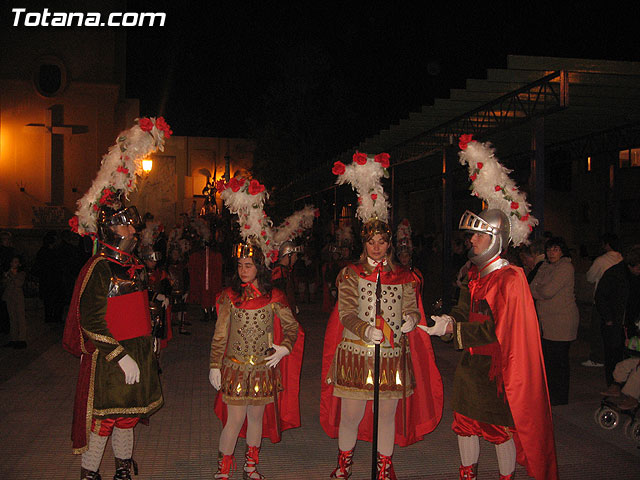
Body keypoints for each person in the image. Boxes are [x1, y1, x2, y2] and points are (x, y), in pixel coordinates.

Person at [421, 138, 558, 480]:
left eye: (478, 236)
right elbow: (465, 312)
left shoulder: (510, 279)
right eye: (471, 237)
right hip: (471, 365)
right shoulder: (474, 275)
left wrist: (455, 331)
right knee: (465, 425)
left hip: (499, 371)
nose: (471, 240)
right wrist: (447, 320)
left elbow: (501, 329)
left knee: (499, 431)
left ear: (495, 239)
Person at [322, 152, 443, 479]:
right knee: (351, 415)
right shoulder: (350, 274)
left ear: (389, 244)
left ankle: (384, 466)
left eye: (382, 242)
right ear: (365, 244)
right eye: (371, 242)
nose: (377, 247)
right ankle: (344, 464)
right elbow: (345, 312)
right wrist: (363, 329)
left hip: (392, 355)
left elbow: (411, 308)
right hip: (356, 355)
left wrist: (410, 320)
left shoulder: (404, 275)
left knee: (386, 416)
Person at [63, 115, 170, 480]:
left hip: (138, 349)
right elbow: (90, 319)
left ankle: (123, 469)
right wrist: (120, 357)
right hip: (112, 358)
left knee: (128, 418)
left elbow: (136, 308)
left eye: (131, 224)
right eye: (125, 224)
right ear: (109, 226)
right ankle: (90, 473)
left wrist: (155, 319)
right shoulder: (99, 267)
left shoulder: (134, 266)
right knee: (104, 421)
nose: (131, 229)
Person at [211, 175, 304, 480]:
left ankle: (251, 465)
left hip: (263, 369)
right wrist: (215, 365)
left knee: (256, 419)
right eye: (239, 266)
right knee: (234, 420)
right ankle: (225, 468)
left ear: (260, 267)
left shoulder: (274, 296)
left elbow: (292, 327)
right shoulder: (229, 297)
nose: (243, 270)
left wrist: (285, 347)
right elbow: (220, 334)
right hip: (236, 367)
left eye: (248, 265)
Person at [530, 237, 580, 405]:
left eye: (556, 250)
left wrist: (539, 290)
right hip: (547, 321)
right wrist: (539, 290)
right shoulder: (545, 265)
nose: (552, 253)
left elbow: (548, 291)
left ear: (562, 251)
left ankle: (560, 397)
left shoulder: (566, 267)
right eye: (550, 250)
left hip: (561, 321)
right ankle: (550, 394)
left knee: (559, 361)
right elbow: (532, 287)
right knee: (549, 360)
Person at [595, 245, 640, 392]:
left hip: (632, 324)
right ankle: (614, 386)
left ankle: (629, 390)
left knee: (631, 358)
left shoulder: (634, 277)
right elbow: (600, 297)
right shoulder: (614, 274)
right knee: (613, 356)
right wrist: (608, 318)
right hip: (615, 323)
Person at [583, 233, 623, 367]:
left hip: (602, 300)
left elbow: (590, 276)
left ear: (606, 244)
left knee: (597, 331)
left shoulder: (601, 260)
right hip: (618, 301)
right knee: (615, 332)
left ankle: (597, 358)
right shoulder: (621, 258)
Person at [2, 255, 27, 349]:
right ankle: (14, 339)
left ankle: (22, 339)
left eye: (16, 262)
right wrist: (7, 276)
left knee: (20, 318)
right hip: (9, 297)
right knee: (12, 318)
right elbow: (4, 284)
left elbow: (18, 283)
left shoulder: (22, 273)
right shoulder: (8, 273)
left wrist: (12, 274)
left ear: (19, 264)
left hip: (18, 297)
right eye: (12, 262)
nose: (14, 264)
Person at [271, 241, 301, 314]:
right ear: (289, 256)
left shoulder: (285, 271)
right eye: (295, 256)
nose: (296, 258)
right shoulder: (278, 273)